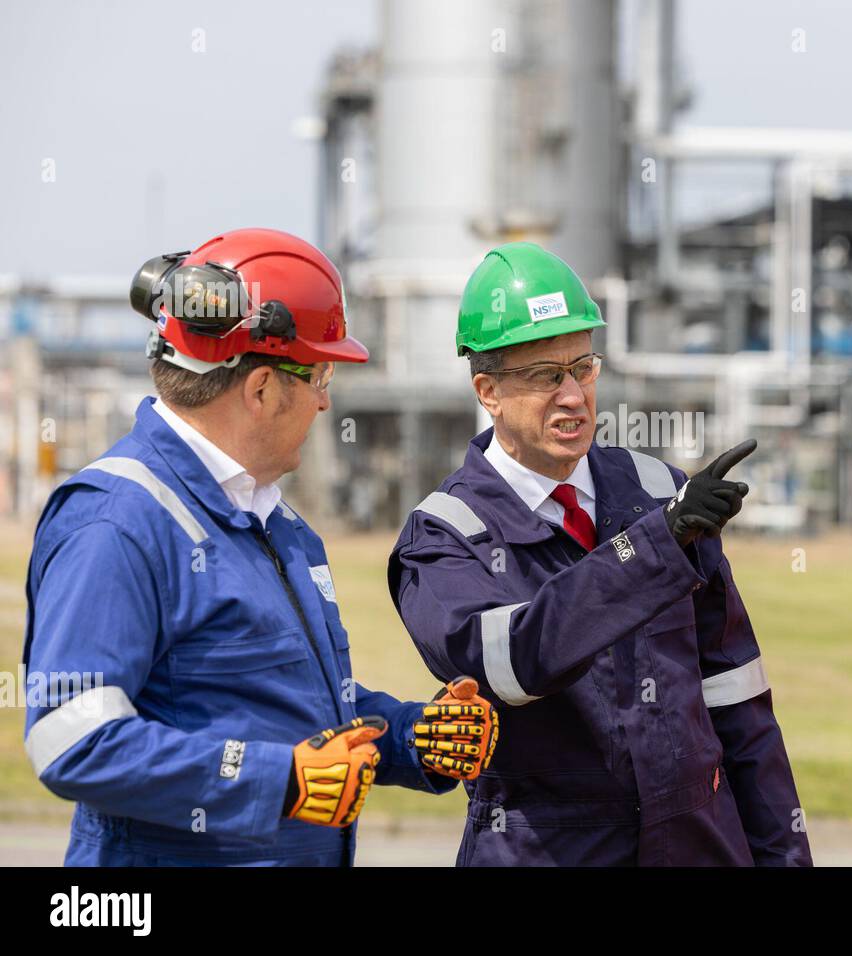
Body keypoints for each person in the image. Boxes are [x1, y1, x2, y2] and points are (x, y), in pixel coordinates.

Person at [23, 228, 498, 866]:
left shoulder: (274, 520)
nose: (327, 400)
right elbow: (70, 735)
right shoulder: (117, 521)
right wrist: (280, 781)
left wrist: (413, 737)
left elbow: (285, 705)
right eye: (322, 372)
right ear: (263, 388)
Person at [388, 241, 811, 866]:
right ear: (488, 390)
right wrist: (654, 544)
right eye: (543, 375)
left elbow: (737, 697)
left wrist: (784, 858)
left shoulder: (659, 492)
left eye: (583, 367)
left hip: (698, 842)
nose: (572, 395)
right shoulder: (446, 533)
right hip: (548, 848)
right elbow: (512, 665)